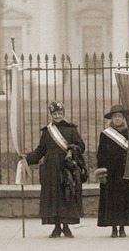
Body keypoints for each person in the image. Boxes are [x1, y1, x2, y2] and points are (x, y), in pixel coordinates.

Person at [26, 101, 86, 238]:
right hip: (50, 168)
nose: (57, 116)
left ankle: (66, 227)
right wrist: (27, 158)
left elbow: (81, 146)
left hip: (67, 166)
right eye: (55, 114)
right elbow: (41, 150)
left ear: (63, 114)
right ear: (51, 115)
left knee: (66, 194)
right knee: (53, 196)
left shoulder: (72, 129)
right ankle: (56, 227)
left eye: (60, 113)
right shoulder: (47, 131)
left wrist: (72, 149)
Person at [96, 104, 129, 238]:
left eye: (120, 116)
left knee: (125, 200)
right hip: (111, 172)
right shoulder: (105, 134)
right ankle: (114, 228)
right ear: (111, 119)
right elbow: (100, 154)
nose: (117, 119)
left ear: (123, 118)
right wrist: (102, 172)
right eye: (115, 117)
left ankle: (123, 227)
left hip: (125, 171)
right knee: (112, 201)